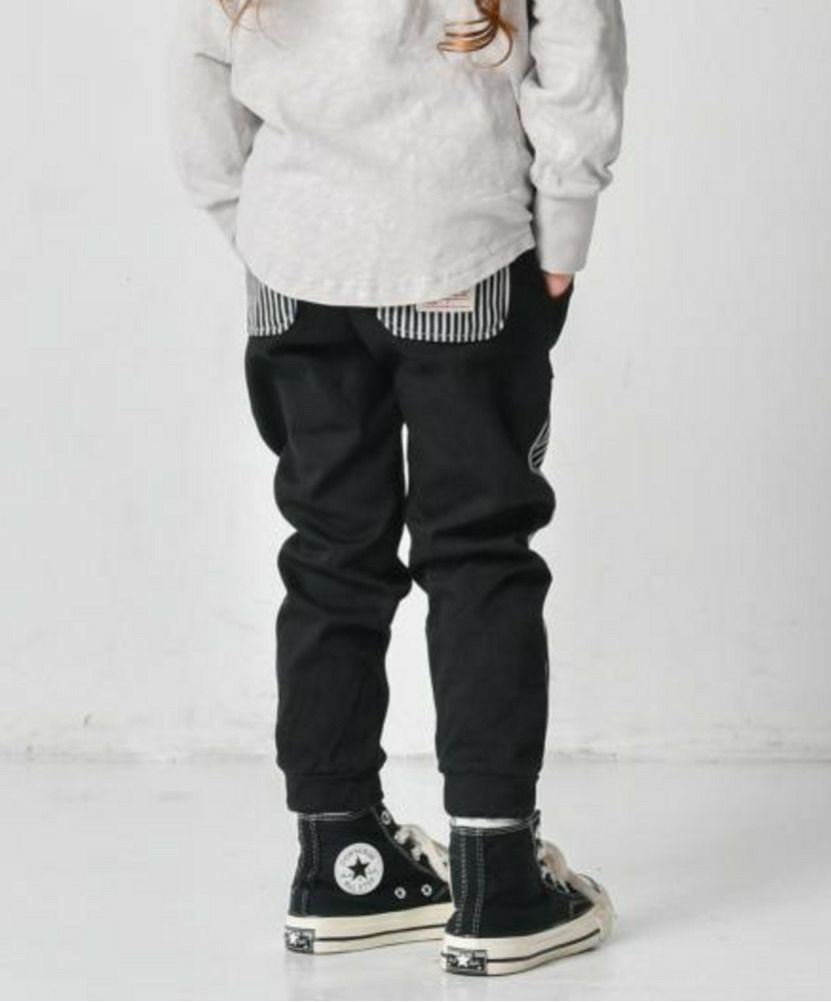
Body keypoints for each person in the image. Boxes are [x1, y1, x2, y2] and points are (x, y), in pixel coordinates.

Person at [168, 0, 627, 976]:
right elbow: (576, 41)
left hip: (296, 267)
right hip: (457, 245)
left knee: (330, 555)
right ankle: (498, 881)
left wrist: (258, 225)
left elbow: (199, 67)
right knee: (478, 553)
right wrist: (565, 225)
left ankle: (345, 864)